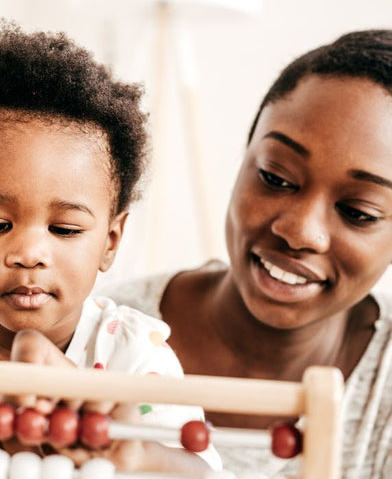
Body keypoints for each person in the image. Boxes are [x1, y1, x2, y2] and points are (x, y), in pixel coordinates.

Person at [0, 18, 221, 474]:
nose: (30, 253)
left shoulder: (135, 355)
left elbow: (202, 470)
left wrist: (131, 453)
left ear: (110, 241)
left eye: (66, 230)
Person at [99, 29, 392, 478]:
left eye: (358, 212)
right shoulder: (95, 333)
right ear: (244, 157)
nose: (299, 232)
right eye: (276, 177)